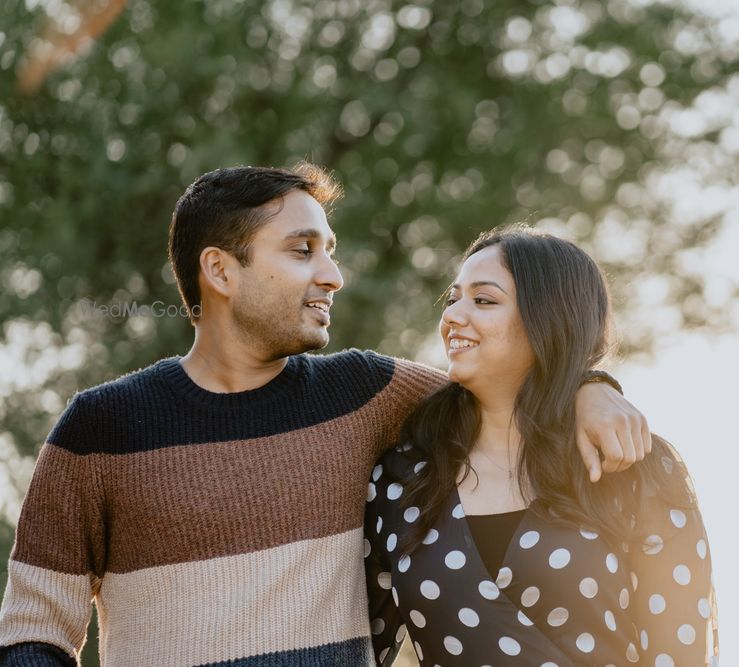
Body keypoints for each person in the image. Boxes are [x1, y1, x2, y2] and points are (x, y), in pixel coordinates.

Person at [0, 164, 652, 665]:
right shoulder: (100, 427)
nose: (333, 274)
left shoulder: (364, 392)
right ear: (221, 270)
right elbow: (33, 630)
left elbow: (505, 385)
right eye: (303, 249)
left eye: (330, 248)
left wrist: (589, 384)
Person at [366, 227, 719, 666]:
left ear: (549, 319)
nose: (453, 316)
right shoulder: (401, 482)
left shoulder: (631, 464)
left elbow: (680, 653)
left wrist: (589, 382)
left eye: (484, 300)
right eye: (453, 298)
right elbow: (360, 652)